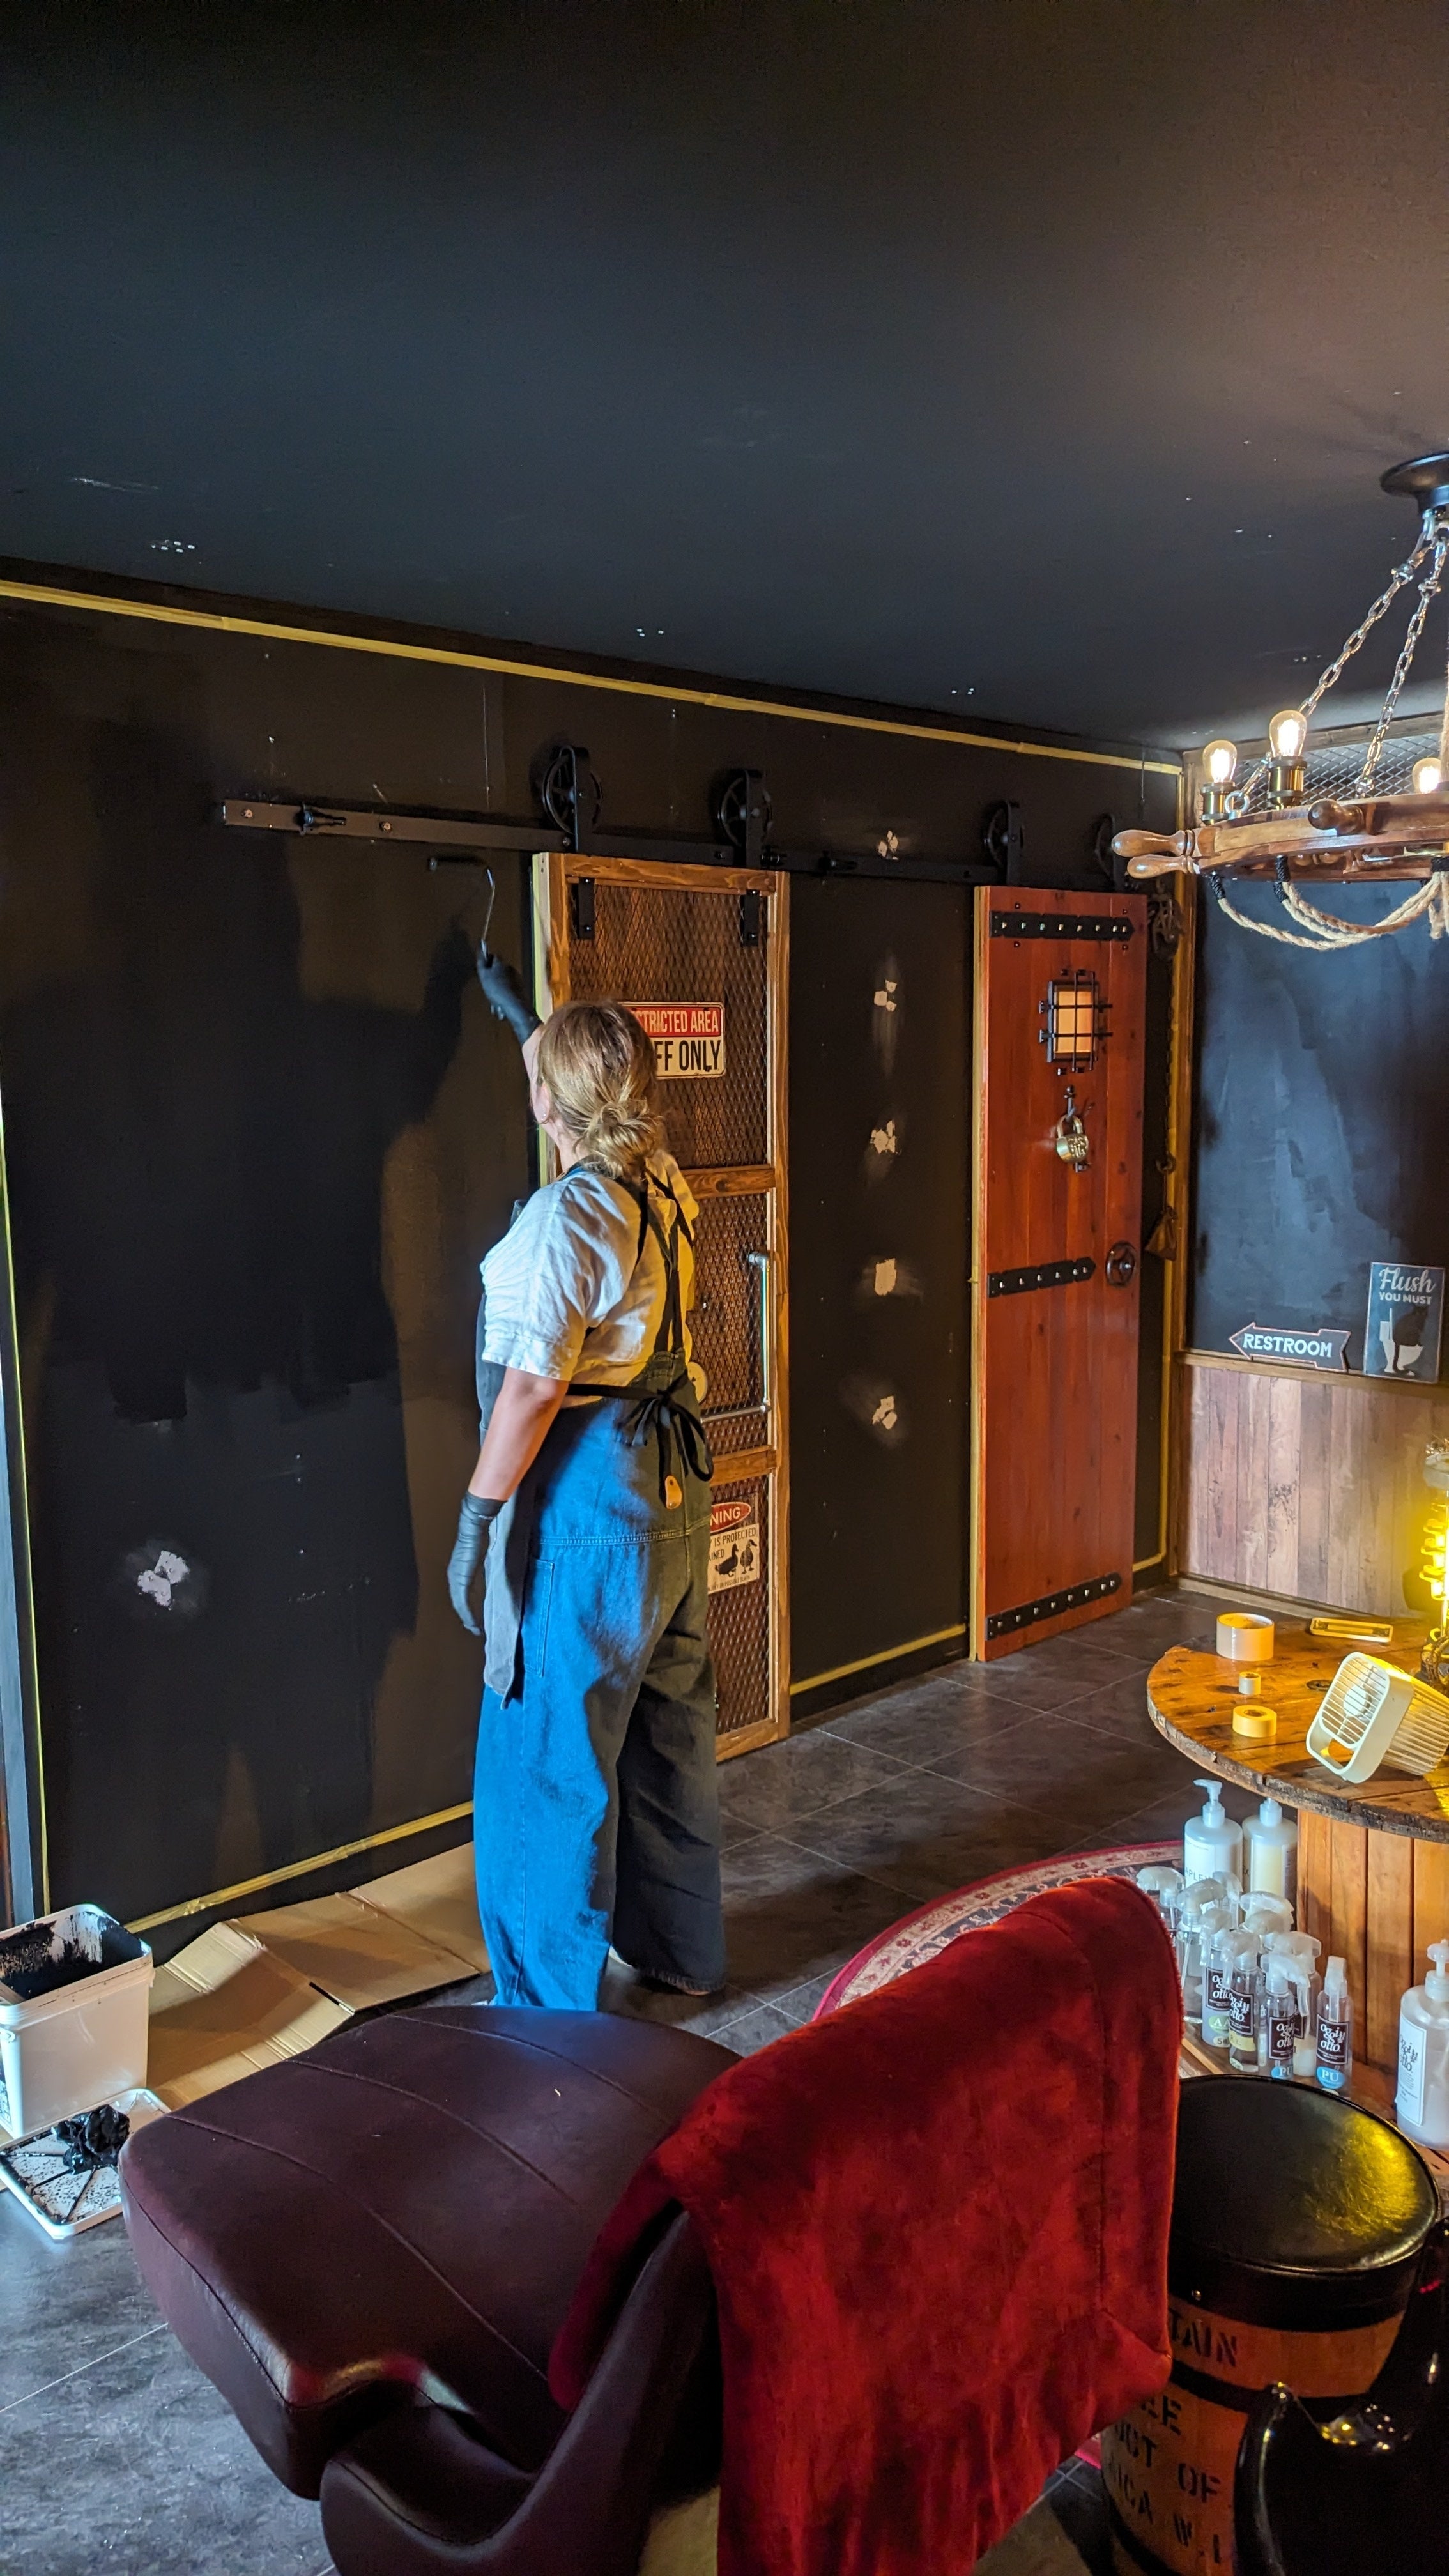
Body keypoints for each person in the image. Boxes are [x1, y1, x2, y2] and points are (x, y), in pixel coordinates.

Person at [448, 961, 726, 2009]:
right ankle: (680, 1953)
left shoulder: (567, 1218)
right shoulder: (660, 1180)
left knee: (546, 1756)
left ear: (545, 1105)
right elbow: (580, 1104)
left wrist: (477, 1521)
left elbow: (530, 1389)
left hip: (588, 1502)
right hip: (671, 1496)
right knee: (668, 1734)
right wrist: (534, 1024)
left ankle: (544, 2015)